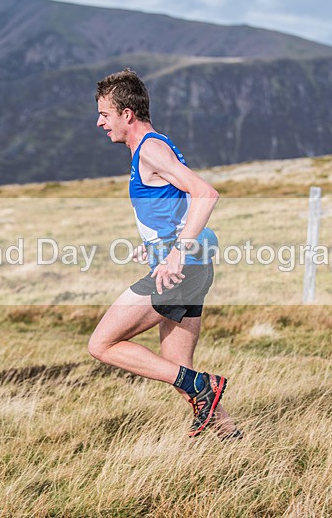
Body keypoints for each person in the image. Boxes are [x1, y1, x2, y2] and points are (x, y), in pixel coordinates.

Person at [88, 68, 241, 439]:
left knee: (102, 344)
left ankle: (204, 385)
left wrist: (175, 252)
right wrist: (159, 241)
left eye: (105, 114)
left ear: (127, 114)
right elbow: (178, 203)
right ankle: (230, 437)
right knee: (176, 368)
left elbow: (205, 193)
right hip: (192, 266)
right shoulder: (155, 146)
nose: (99, 122)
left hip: (179, 270)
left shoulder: (151, 149)